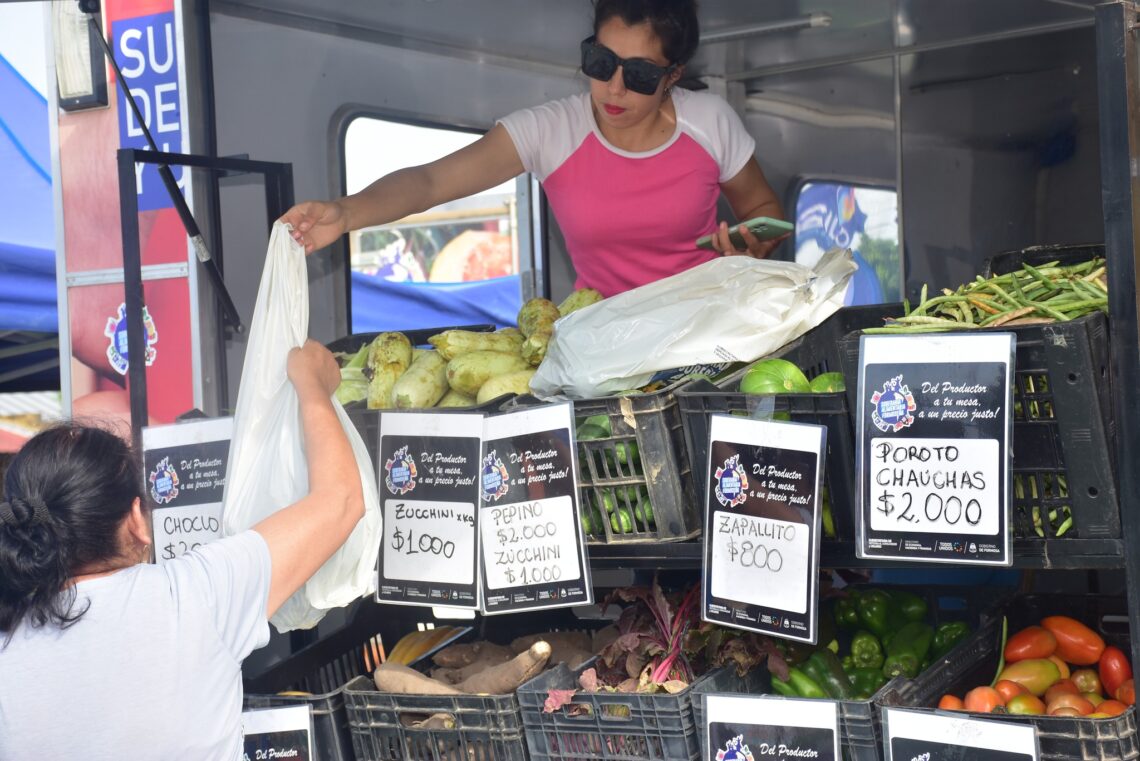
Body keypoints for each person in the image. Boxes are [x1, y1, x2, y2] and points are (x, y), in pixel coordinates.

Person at [0, 340, 364, 759]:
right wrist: (312, 384)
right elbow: (341, 500)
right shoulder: (195, 596)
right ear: (137, 520)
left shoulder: (11, 633)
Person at [283, 0, 786, 297]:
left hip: (704, 340)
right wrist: (345, 213)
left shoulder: (709, 121)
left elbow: (765, 211)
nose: (613, 88)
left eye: (638, 75)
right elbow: (431, 182)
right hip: (604, 351)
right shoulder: (553, 131)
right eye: (600, 62)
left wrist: (753, 243)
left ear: (672, 77)